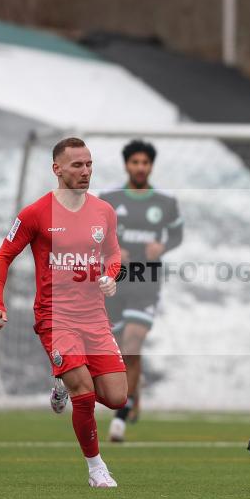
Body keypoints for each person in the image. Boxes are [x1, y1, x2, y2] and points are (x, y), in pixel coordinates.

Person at [0, 137, 127, 488]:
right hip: (55, 317)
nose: (85, 171)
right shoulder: (35, 214)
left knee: (116, 397)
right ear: (57, 169)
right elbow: (3, 257)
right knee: (85, 392)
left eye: (89, 164)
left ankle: (62, 381)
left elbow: (114, 254)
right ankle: (96, 469)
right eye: (77, 165)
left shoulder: (103, 212)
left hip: (94, 316)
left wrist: (111, 277)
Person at [98, 140, 183, 442]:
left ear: (151, 166)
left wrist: (164, 246)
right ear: (126, 165)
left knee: (133, 342)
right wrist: (113, 250)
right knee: (121, 349)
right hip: (114, 281)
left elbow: (177, 233)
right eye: (135, 162)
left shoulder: (164, 201)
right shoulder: (108, 199)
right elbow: (94, 236)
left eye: (145, 163)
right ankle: (134, 393)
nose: (140, 168)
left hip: (146, 281)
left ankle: (121, 415)